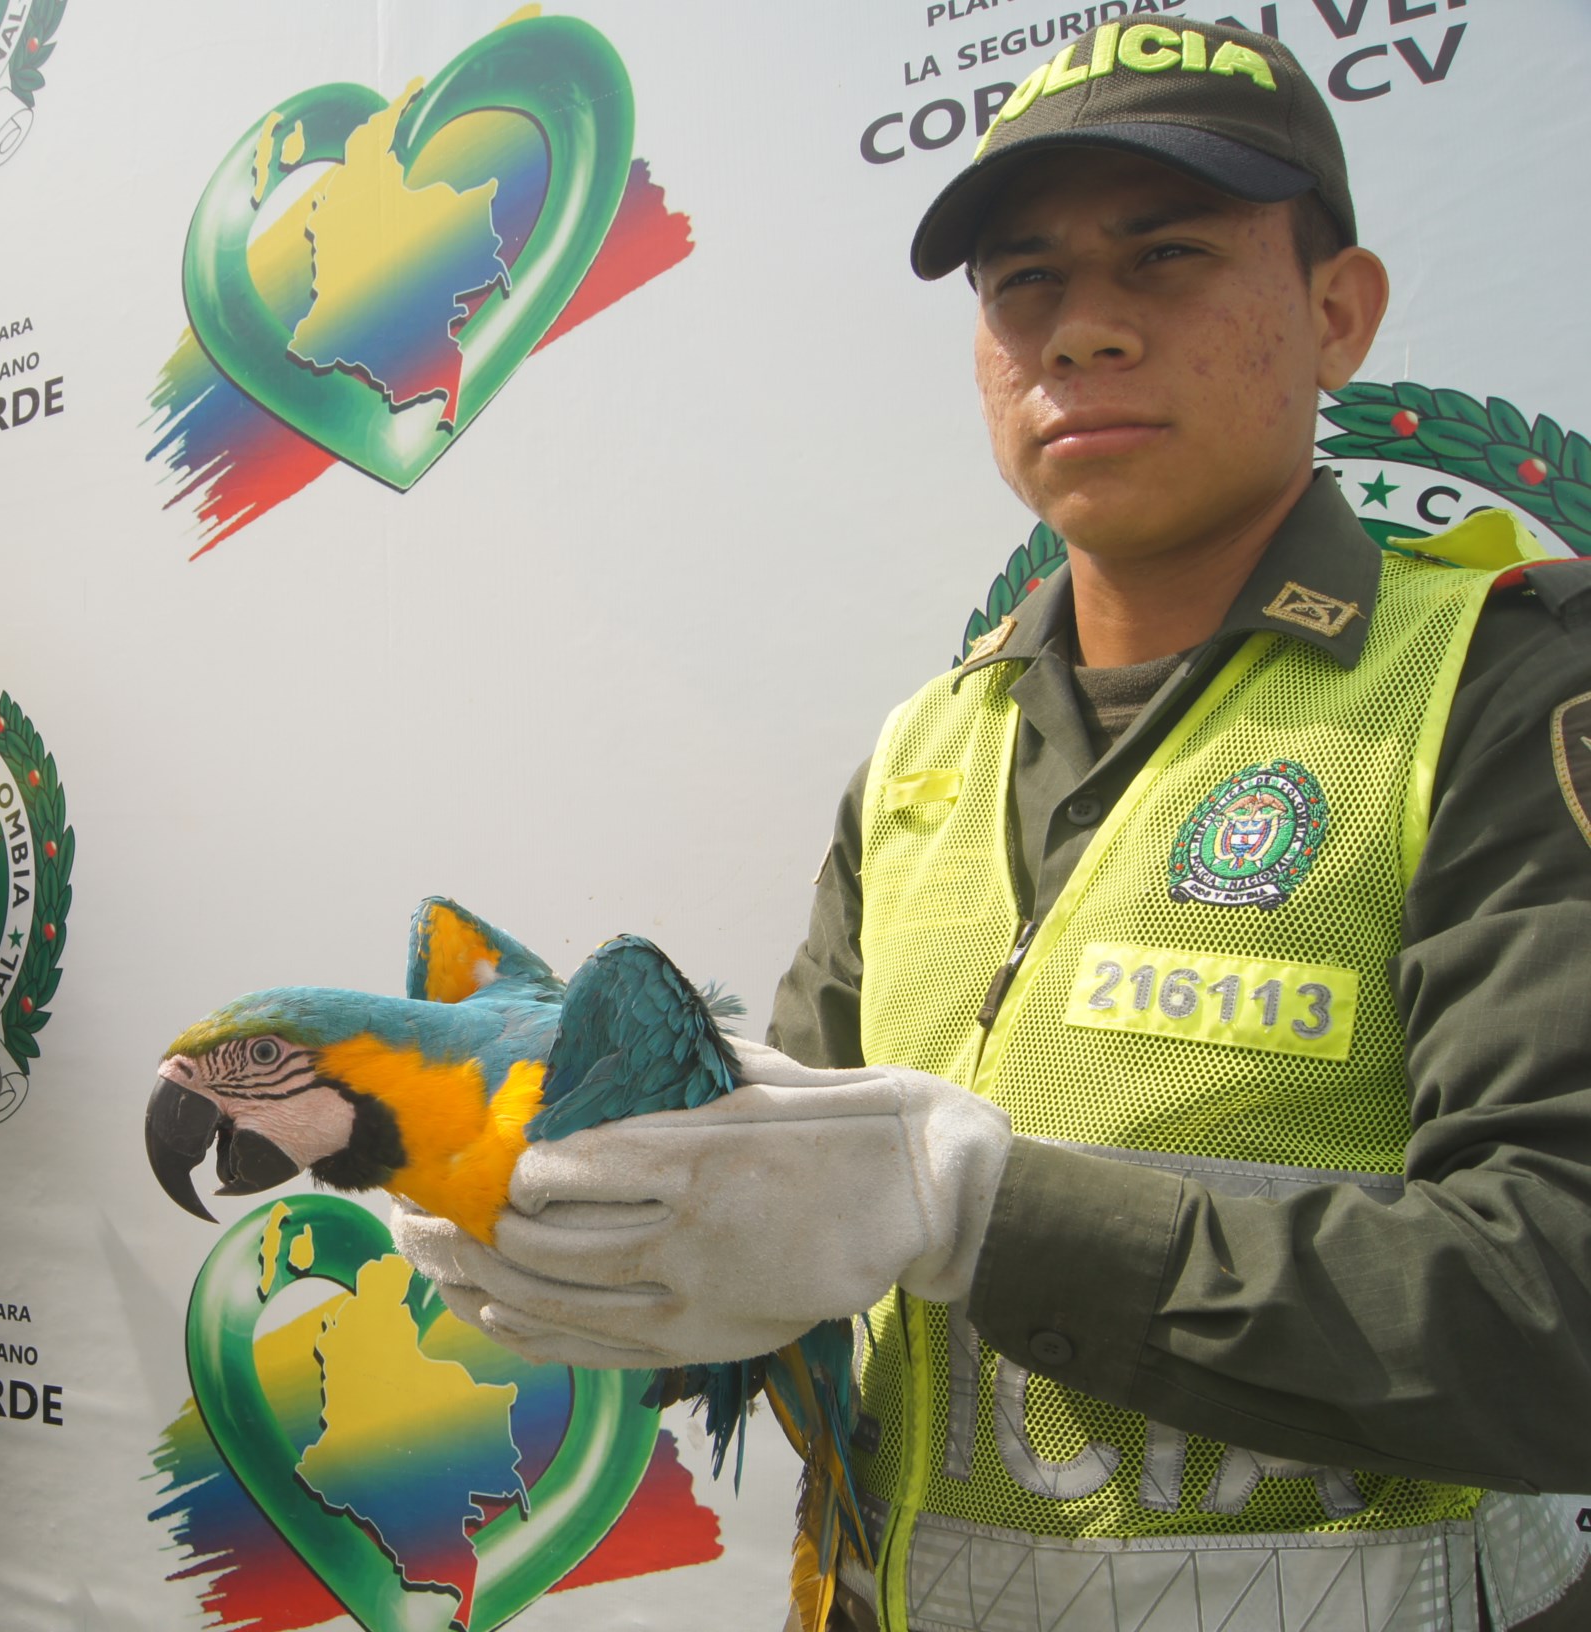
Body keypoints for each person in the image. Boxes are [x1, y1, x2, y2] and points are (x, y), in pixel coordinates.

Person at [396, 22, 1591, 1631]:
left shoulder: (1502, 695)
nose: (1085, 330)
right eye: (1024, 285)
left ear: (1337, 313)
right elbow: (786, 1226)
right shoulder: (920, 753)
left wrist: (979, 1212)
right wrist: (601, 1240)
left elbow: (1555, 1306)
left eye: (1167, 258)